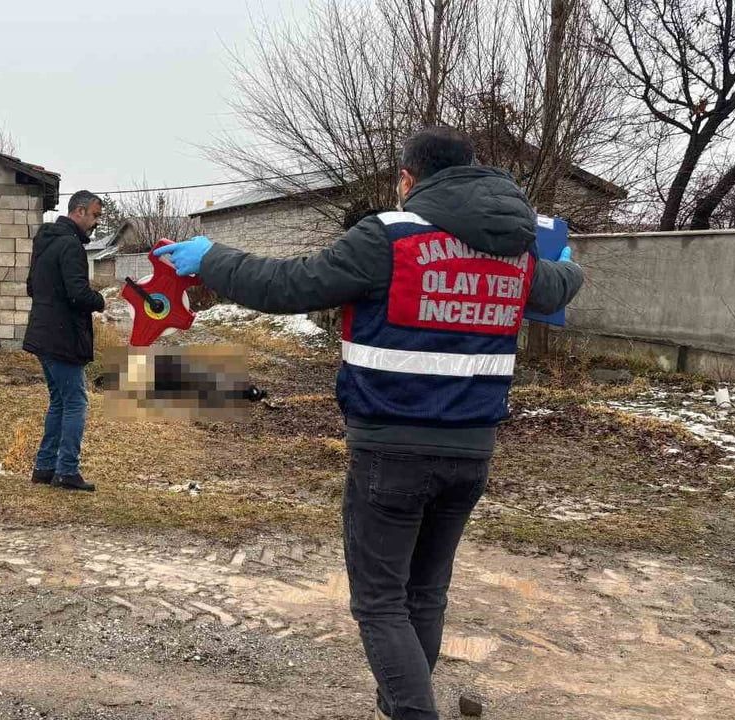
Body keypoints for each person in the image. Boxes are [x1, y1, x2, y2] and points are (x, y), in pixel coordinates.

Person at [154, 127, 583, 720]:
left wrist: (213, 259)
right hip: (472, 451)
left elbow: (290, 285)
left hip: (391, 448)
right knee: (425, 593)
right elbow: (560, 284)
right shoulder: (517, 251)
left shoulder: (390, 236)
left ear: (409, 180)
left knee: (381, 602)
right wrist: (565, 260)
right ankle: (401, 702)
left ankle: (410, 711)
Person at [22, 190, 107, 492]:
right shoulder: (70, 245)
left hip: (43, 335)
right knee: (75, 403)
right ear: (80, 212)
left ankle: (45, 468)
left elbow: (32, 287)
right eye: (95, 215)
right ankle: (67, 471)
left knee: (59, 401)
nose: (96, 222)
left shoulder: (45, 241)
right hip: (62, 337)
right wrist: (101, 300)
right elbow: (77, 294)